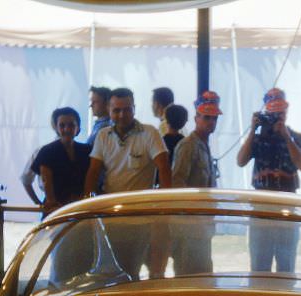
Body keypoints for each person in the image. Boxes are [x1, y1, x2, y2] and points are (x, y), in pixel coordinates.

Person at [84, 88, 172, 279]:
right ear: (109, 110)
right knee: (111, 271)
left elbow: (164, 168)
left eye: (127, 109)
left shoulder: (149, 133)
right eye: (116, 110)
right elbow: (93, 171)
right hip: (110, 215)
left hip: (140, 217)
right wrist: (87, 205)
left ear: (134, 108)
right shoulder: (103, 135)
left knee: (134, 269)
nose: (122, 115)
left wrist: (164, 205)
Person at [237, 87, 301, 272]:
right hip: (261, 206)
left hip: (288, 206)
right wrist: (253, 130)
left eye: (281, 112)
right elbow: (240, 160)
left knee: (287, 264)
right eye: (273, 113)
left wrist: (286, 137)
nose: (277, 116)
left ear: (286, 112)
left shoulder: (297, 137)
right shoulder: (258, 139)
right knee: (259, 265)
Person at [170, 91, 223, 274]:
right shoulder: (188, 146)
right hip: (188, 226)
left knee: (203, 274)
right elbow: (177, 185)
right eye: (207, 117)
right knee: (188, 277)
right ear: (196, 118)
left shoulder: (204, 145)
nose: (211, 122)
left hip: (202, 224)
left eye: (214, 118)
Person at [33, 107, 91, 215]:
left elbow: (91, 177)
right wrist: (52, 202)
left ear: (78, 128)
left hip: (80, 206)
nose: (67, 129)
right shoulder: (47, 151)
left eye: (71, 125)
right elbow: (46, 180)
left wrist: (85, 199)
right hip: (55, 207)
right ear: (56, 128)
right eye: (62, 125)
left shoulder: (87, 150)